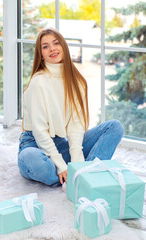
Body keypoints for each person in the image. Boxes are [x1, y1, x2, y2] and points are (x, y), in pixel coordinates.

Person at [18, 28, 124, 188]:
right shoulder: (38, 82)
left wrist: (77, 160)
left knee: (114, 127)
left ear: (64, 46)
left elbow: (75, 125)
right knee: (31, 158)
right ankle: (74, 174)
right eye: (45, 46)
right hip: (34, 143)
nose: (52, 48)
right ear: (40, 54)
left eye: (56, 43)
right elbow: (39, 131)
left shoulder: (76, 81)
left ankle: (80, 174)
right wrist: (61, 165)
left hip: (61, 144)